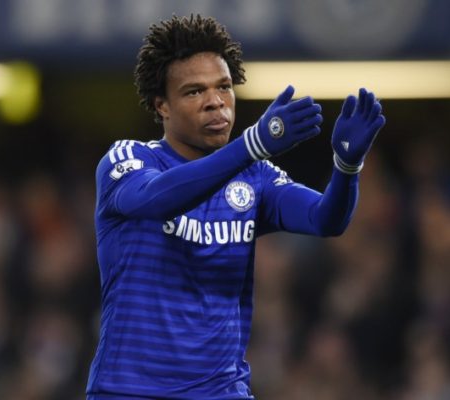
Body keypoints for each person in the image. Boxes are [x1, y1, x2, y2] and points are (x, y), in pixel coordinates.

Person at [86, 14, 385, 400]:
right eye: (194, 92)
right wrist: (252, 145)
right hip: (129, 391)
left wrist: (347, 168)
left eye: (224, 87)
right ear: (162, 105)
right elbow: (157, 199)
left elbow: (325, 219)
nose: (215, 102)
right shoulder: (128, 159)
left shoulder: (254, 176)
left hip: (222, 391)